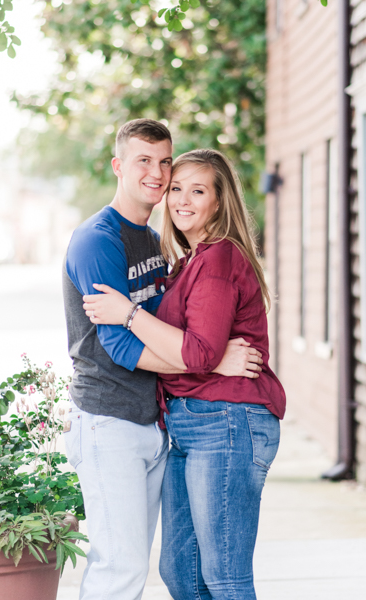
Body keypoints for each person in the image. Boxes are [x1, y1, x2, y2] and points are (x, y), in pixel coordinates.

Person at [61, 119, 263, 600]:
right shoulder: (97, 240)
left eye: (164, 161)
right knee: (121, 569)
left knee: (161, 567)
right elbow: (122, 346)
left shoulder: (154, 243)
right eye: (143, 161)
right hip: (110, 420)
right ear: (118, 166)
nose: (156, 173)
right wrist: (212, 362)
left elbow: (175, 334)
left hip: (153, 425)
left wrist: (198, 354)